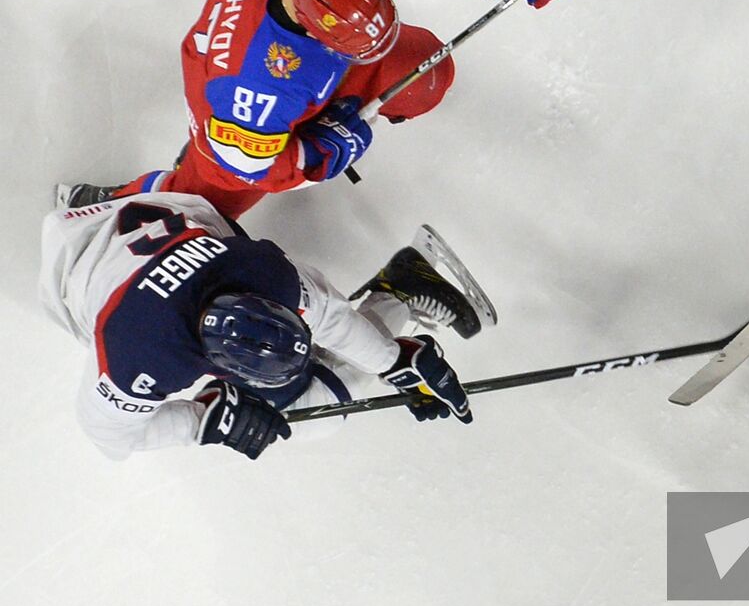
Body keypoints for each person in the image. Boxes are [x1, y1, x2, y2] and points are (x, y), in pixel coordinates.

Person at [61, 0, 572, 218]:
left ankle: (334, 95)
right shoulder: (252, 87)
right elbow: (245, 165)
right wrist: (318, 154)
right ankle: (123, 202)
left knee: (426, 70)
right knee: (203, 212)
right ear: (317, 35)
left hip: (281, 68)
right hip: (224, 90)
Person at [39, 190, 480, 460]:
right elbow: (108, 438)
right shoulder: (140, 354)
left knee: (314, 408)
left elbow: (327, 317)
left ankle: (399, 291)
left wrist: (392, 359)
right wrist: (202, 422)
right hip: (76, 268)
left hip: (161, 224)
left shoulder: (264, 275)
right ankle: (398, 290)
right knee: (314, 414)